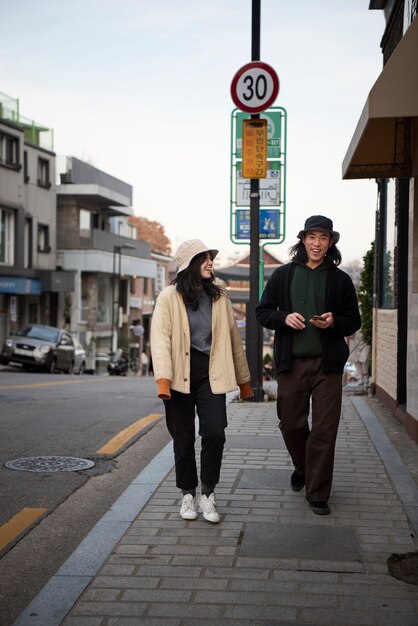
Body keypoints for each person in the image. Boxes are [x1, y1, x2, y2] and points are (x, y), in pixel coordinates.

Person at [256, 215, 361, 515]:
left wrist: (333, 322)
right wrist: (284, 318)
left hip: (328, 366)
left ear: (330, 243)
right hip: (292, 364)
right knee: (292, 424)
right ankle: (302, 467)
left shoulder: (340, 280)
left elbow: (354, 320)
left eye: (323, 238)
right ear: (303, 240)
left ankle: (317, 493)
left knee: (325, 429)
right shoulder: (283, 275)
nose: (317, 243)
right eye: (312, 237)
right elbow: (262, 312)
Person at [151, 239, 253, 523]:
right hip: (178, 375)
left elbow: (234, 341)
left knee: (215, 432)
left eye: (210, 258)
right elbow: (159, 341)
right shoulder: (168, 297)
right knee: (182, 439)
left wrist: (244, 382)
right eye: (203, 258)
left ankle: (207, 493)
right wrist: (163, 379)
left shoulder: (220, 298)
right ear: (189, 264)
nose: (210, 262)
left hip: (212, 373)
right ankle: (187, 493)